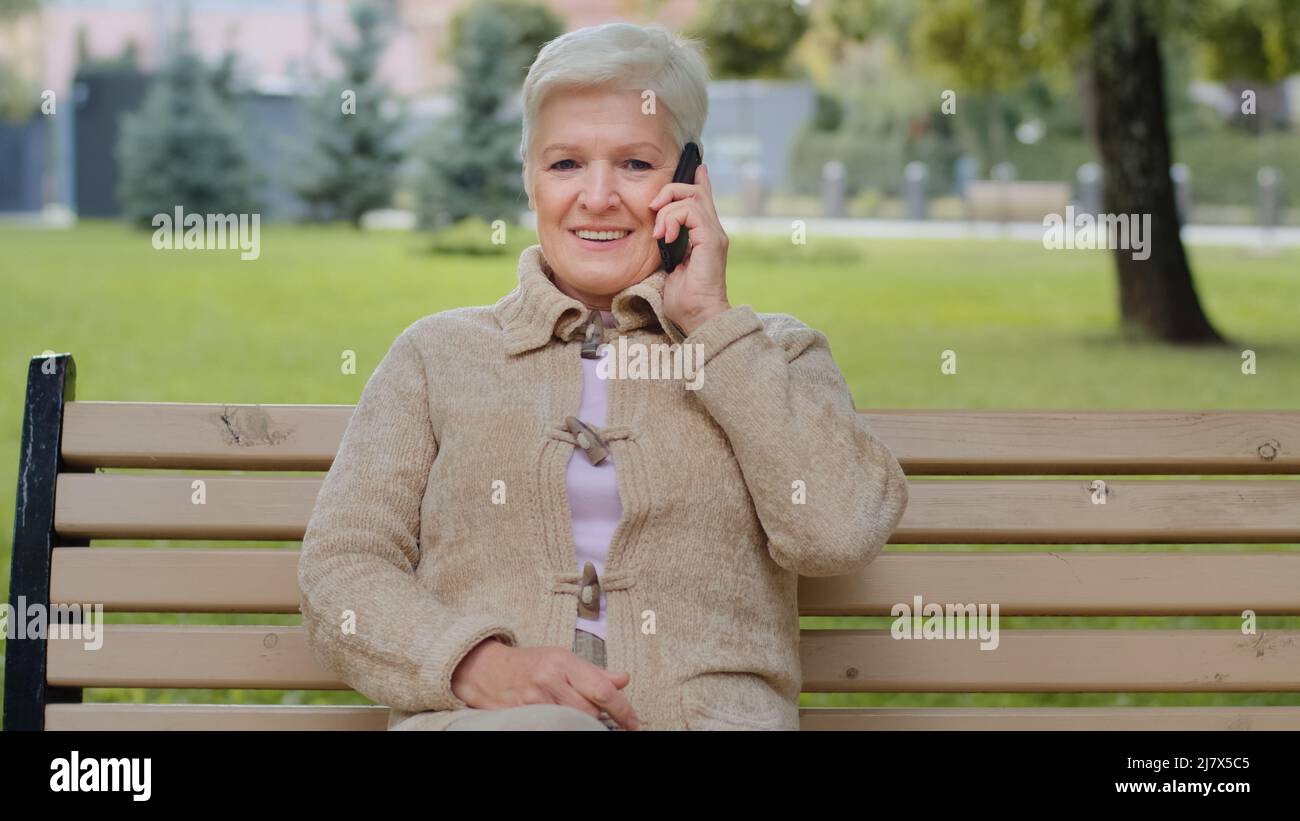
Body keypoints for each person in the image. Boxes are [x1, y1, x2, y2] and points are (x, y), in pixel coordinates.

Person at [297, 21, 909, 732]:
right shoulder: (437, 356)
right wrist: (478, 665)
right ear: (529, 175)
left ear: (690, 180)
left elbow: (837, 532)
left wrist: (711, 326)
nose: (596, 196)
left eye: (634, 164)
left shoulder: (774, 354)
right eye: (564, 164)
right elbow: (341, 566)